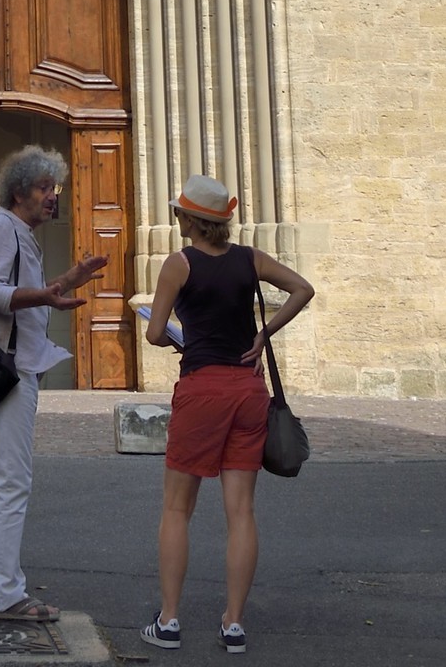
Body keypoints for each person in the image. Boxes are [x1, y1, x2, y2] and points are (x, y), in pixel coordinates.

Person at [141, 174, 314, 656]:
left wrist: (179, 332)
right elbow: (302, 289)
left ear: (189, 220)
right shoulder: (248, 259)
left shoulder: (179, 264)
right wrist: (263, 336)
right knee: (241, 512)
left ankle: (170, 619)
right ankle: (233, 624)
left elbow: (155, 334)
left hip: (202, 388)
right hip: (247, 390)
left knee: (177, 508)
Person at [0, 144, 105, 624]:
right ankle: (5, 594)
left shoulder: (13, 230)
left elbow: (19, 292)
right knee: (11, 482)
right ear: (19, 190)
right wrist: (44, 294)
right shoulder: (2, 229)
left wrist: (67, 280)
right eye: (45, 188)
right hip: (9, 370)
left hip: (10, 366)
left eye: (55, 188)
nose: (52, 197)